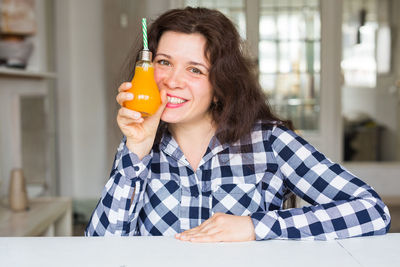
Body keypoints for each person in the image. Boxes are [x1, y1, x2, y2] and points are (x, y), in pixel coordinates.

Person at [85, 7, 391, 241]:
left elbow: (372, 212)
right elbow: (100, 245)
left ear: (221, 84)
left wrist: (255, 226)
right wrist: (136, 148)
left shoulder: (271, 142)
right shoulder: (140, 146)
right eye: (164, 62)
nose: (172, 81)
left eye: (194, 69)